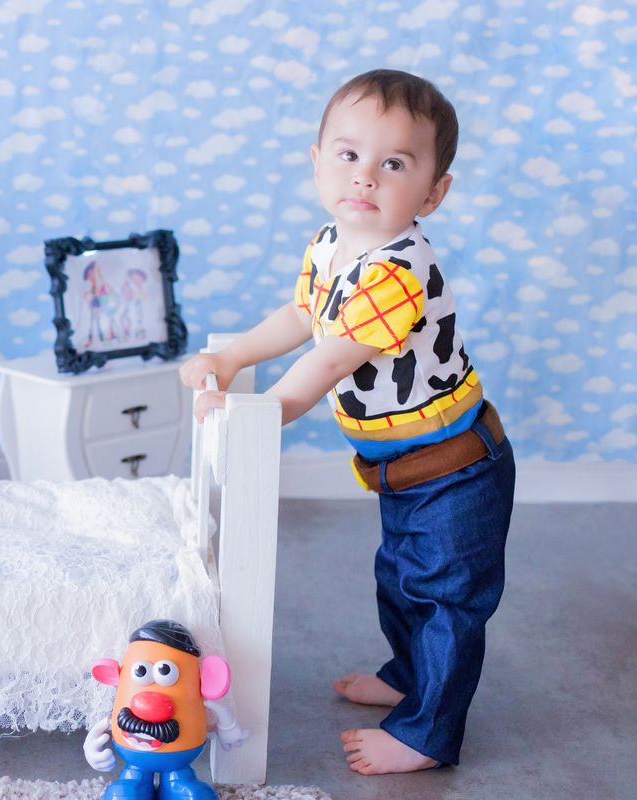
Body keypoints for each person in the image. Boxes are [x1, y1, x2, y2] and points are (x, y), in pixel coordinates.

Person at [179, 69, 515, 775]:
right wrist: (234, 355)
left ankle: (428, 734)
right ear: (317, 160)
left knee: (446, 598)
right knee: (399, 580)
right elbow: (305, 316)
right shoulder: (333, 243)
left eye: (394, 163)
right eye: (349, 155)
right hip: (401, 468)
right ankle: (407, 677)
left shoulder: (399, 268)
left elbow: (331, 360)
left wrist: (265, 412)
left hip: (455, 466)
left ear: (433, 192)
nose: (365, 176)